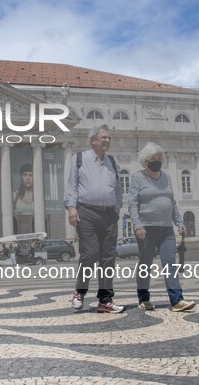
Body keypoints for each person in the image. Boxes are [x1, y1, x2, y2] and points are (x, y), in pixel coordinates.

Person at [64, 124, 125, 313]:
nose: (107, 140)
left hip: (108, 214)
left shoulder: (112, 162)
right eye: (104, 137)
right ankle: (80, 292)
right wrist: (72, 208)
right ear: (93, 140)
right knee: (89, 254)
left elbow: (117, 188)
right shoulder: (79, 159)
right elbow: (72, 185)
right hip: (87, 212)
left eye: (109, 138)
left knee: (108, 258)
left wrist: (116, 208)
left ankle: (105, 300)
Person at [128, 142, 196, 312]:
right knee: (146, 264)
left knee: (170, 264)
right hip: (146, 229)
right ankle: (143, 298)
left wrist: (179, 222)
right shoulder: (137, 178)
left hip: (166, 229)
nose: (157, 161)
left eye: (160, 159)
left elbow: (171, 202)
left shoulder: (166, 177)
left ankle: (177, 300)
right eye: (154, 159)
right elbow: (132, 203)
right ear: (145, 161)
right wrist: (137, 224)